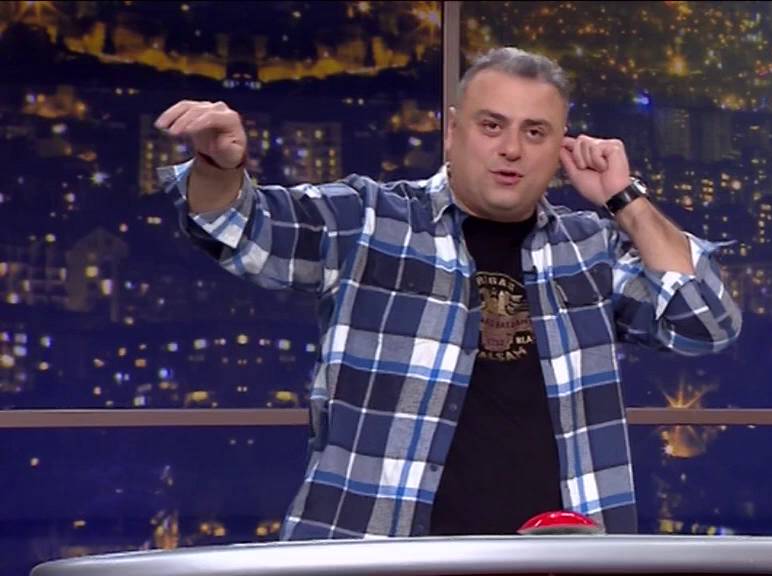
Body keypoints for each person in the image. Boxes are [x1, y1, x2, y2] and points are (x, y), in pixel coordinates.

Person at [154, 47, 741, 540]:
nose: (511, 149)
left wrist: (625, 199)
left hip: (561, 562)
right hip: (384, 560)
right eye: (492, 126)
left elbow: (705, 322)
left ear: (561, 147)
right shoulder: (371, 220)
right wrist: (217, 166)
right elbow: (241, 228)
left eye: (535, 132)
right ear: (454, 131)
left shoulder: (590, 249)